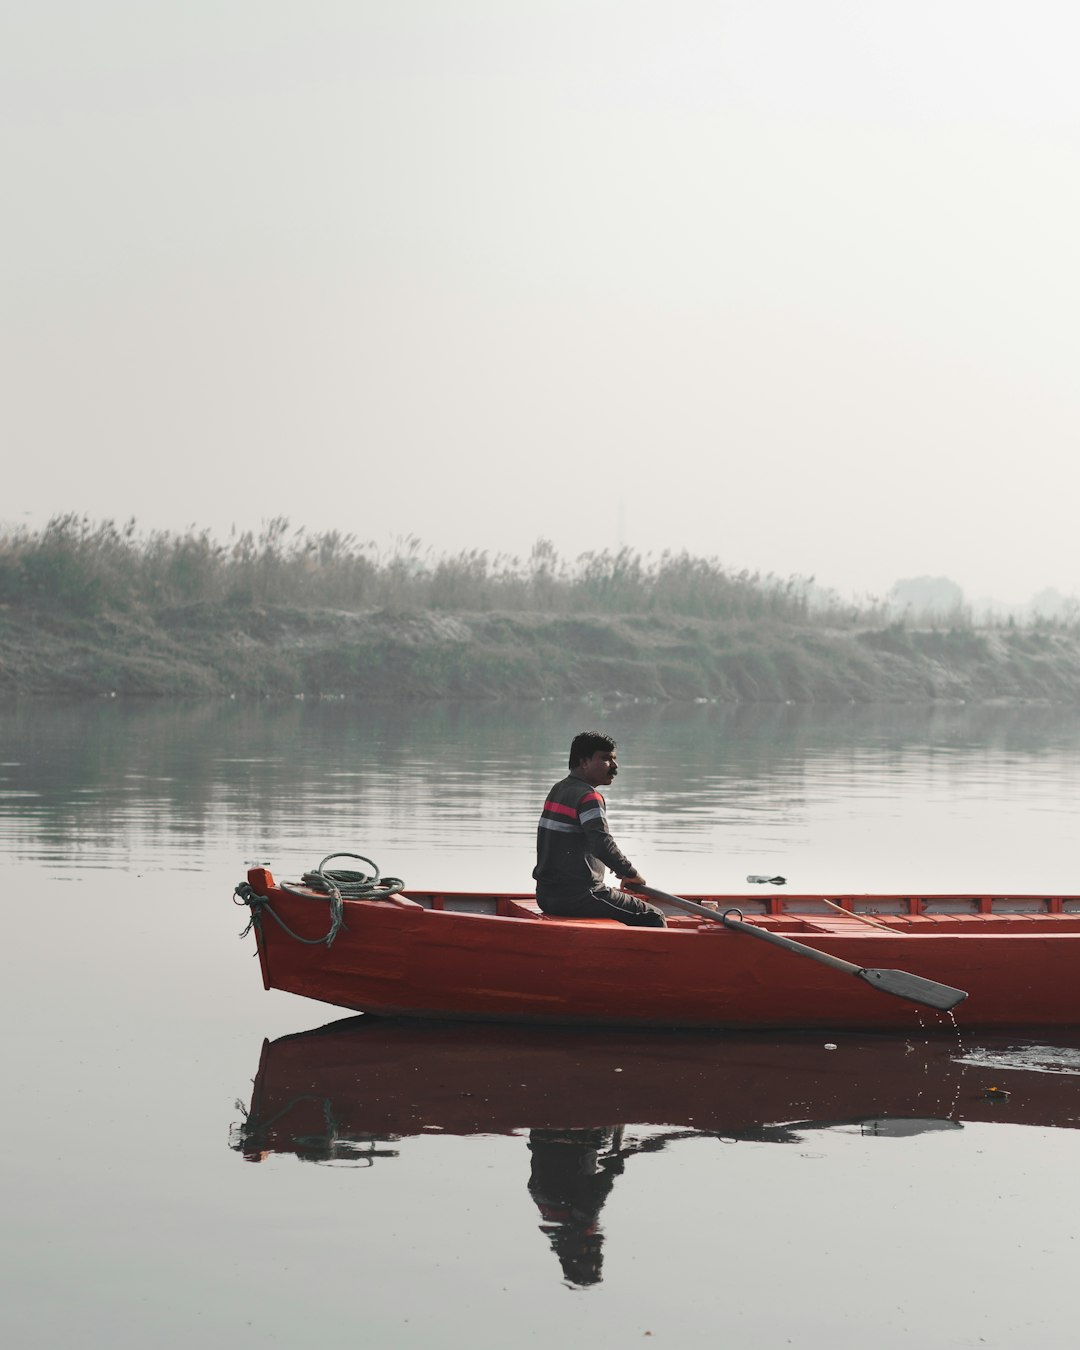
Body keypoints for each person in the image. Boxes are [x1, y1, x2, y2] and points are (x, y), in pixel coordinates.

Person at [533, 731, 666, 927]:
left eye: (614, 759)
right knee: (653, 917)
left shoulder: (558, 789)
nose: (614, 766)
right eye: (606, 759)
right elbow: (602, 844)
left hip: (546, 895)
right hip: (580, 896)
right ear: (584, 762)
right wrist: (629, 873)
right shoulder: (589, 797)